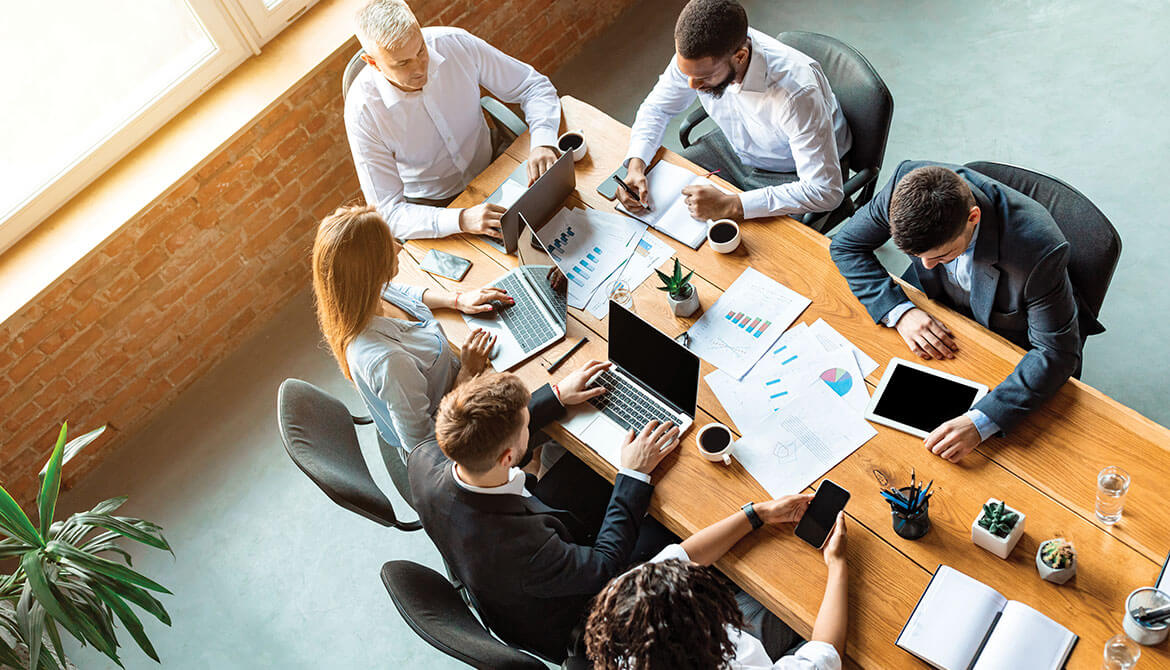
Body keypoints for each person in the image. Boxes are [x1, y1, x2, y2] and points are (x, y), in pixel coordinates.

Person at [409, 368, 680, 662]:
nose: (529, 422)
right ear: (508, 458)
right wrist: (633, 473)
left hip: (516, 553)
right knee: (669, 527)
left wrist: (558, 395)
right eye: (526, 424)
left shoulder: (423, 459)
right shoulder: (522, 548)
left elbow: (482, 433)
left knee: (592, 465)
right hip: (573, 611)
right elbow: (604, 565)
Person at [830, 162, 1086, 463]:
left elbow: (1057, 353)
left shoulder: (1038, 250)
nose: (924, 265)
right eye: (915, 256)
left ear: (973, 218)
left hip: (1007, 336)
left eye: (941, 255)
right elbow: (846, 246)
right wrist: (899, 311)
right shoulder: (905, 185)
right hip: (934, 311)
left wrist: (981, 421)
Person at [618, 0, 851, 222]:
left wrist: (733, 205)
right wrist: (636, 164)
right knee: (660, 210)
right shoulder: (696, 58)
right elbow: (657, 107)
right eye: (685, 73)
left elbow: (825, 191)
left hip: (792, 170)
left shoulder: (797, 94)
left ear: (740, 57)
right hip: (733, 149)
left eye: (703, 77)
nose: (691, 85)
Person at [346, 0, 562, 240]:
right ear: (373, 63)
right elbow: (387, 213)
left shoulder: (455, 43)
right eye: (403, 63)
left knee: (558, 224)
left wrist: (543, 140)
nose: (420, 68)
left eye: (420, 51)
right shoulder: (363, 111)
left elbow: (533, 86)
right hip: (435, 208)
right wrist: (460, 219)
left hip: (494, 165)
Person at [311, 203, 512, 459]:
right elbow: (424, 445)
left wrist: (457, 300)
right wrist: (467, 373)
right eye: (388, 245)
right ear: (369, 270)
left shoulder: (366, 296)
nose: (399, 247)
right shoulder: (389, 361)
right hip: (455, 435)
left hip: (454, 388)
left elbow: (405, 294)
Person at [583, 505, 848, 670]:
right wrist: (837, 564)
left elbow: (687, 554)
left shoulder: (624, 606)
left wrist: (758, 514)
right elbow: (825, 654)